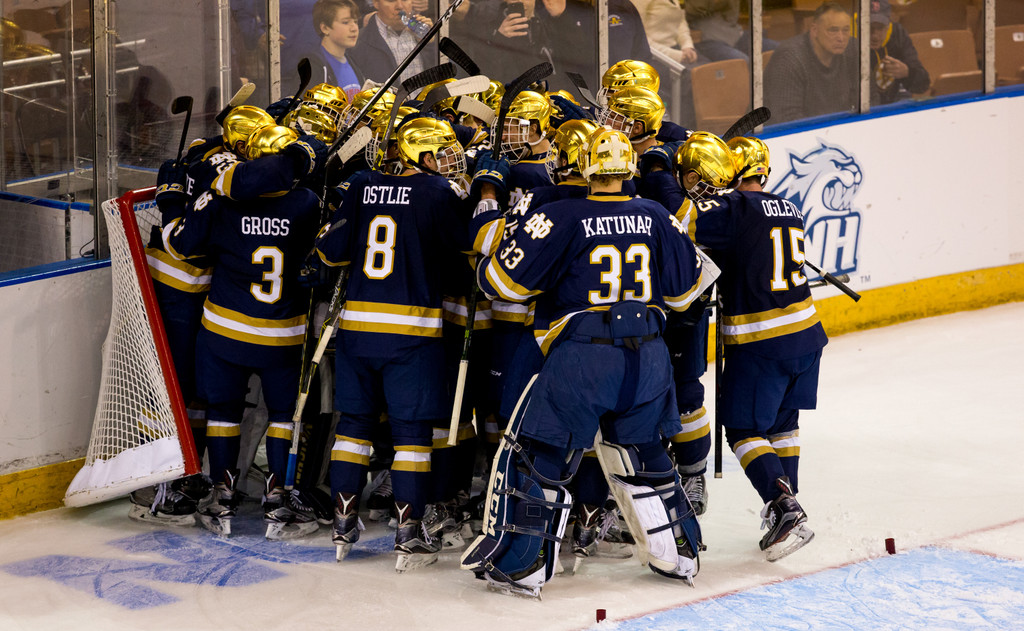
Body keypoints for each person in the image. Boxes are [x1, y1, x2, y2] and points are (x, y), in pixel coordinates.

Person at [462, 127, 712, 598]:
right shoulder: (657, 215)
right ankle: (680, 554)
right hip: (649, 358)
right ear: (627, 170)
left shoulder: (561, 216)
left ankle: (525, 566)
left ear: (585, 167)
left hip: (584, 356)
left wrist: (484, 262)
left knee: (541, 455)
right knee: (646, 454)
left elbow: (502, 283)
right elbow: (684, 294)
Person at [313, 117, 477, 571]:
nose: (445, 161)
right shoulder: (437, 193)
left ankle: (343, 524)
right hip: (412, 334)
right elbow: (466, 248)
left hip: (356, 332)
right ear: (419, 155)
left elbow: (330, 252)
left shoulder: (363, 185)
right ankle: (408, 534)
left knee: (353, 428)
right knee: (411, 437)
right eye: (439, 152)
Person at [163, 123, 325, 539]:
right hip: (282, 335)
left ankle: (222, 491)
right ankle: (276, 496)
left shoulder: (221, 199)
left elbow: (181, 245)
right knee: (284, 416)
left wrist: (174, 205)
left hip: (224, 332)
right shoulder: (306, 202)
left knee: (222, 414)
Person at [673, 132, 827, 561]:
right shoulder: (789, 207)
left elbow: (681, 222)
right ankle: (786, 502)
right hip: (808, 334)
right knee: (782, 425)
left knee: (743, 429)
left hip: (763, 340)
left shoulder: (733, 207)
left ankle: (784, 508)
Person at [763, 1, 858, 124]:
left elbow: (870, 98)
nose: (841, 38)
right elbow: (787, 119)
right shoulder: (789, 58)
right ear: (814, 30)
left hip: (833, 132)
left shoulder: (852, 49)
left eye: (846, 30)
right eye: (833, 30)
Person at [347, 0, 435, 82]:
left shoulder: (421, 32)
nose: (400, 6)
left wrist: (430, 44)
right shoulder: (358, 43)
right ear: (376, 3)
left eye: (405, 0)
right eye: (391, 0)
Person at [866, 0, 930, 104]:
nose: (875, 36)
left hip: (893, 103)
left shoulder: (898, 34)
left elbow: (923, 85)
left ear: (888, 25)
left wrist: (907, 73)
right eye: (870, 27)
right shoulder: (849, 39)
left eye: (880, 28)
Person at [683, 0, 778, 63]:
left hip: (735, 33)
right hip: (707, 37)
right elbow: (693, 10)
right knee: (742, 62)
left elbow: (732, 17)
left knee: (778, 49)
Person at [309, 0, 367, 99]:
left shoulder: (354, 61)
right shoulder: (314, 66)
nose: (354, 28)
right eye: (345, 22)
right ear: (325, 28)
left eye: (356, 22)